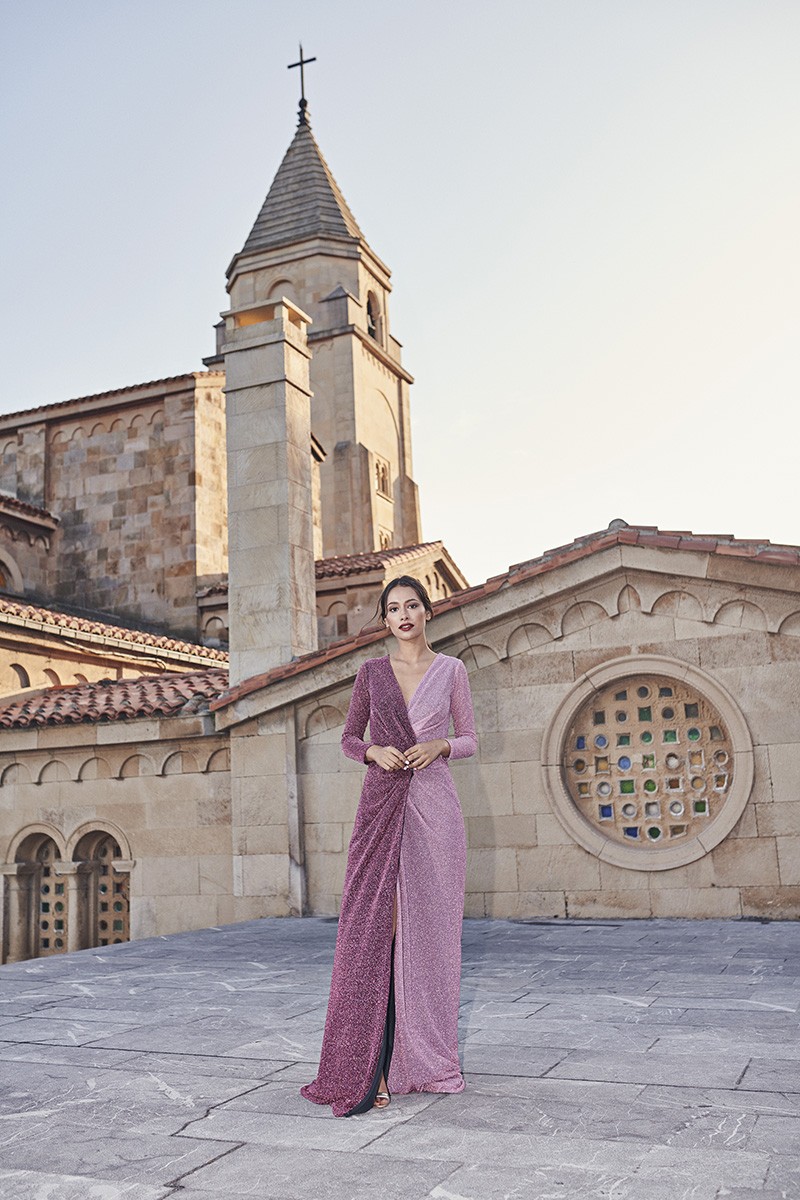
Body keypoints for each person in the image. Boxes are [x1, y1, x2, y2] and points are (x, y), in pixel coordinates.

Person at [301, 575, 477, 1117]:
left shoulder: (451, 670)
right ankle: (371, 1063)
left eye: (412, 606)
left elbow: (471, 738)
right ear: (385, 619)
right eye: (393, 609)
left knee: (431, 934)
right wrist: (374, 752)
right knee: (380, 929)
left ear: (428, 612)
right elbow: (350, 738)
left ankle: (424, 1062)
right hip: (380, 806)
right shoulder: (372, 673)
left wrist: (440, 744)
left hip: (436, 809)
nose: (403, 615)